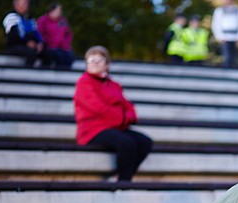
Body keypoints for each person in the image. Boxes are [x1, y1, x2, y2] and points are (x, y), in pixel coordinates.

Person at [73, 46, 153, 182]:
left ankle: (123, 177)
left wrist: (129, 117)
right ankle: (123, 182)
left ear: (107, 64)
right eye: (90, 60)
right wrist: (122, 118)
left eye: (98, 60)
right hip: (93, 129)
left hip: (115, 126)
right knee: (127, 143)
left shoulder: (113, 84)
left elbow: (127, 106)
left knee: (145, 142)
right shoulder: (84, 82)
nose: (94, 63)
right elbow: (98, 108)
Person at [3, 0, 51, 67]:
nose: (26, 6)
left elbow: (35, 33)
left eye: (27, 3)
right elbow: (13, 36)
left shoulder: (29, 18)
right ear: (16, 5)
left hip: (29, 45)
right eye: (24, 4)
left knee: (48, 53)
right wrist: (27, 43)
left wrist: (39, 43)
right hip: (15, 45)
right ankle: (26, 73)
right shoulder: (11, 17)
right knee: (31, 53)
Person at [36, 2, 74, 69]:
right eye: (58, 10)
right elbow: (39, 33)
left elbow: (68, 34)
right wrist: (47, 42)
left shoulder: (62, 20)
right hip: (49, 47)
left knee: (70, 57)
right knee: (58, 57)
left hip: (62, 47)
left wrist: (65, 44)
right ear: (51, 11)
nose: (60, 12)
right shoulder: (43, 20)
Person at [211, 0, 238, 68]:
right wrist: (219, 36)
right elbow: (216, 24)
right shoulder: (219, 11)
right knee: (227, 57)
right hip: (224, 37)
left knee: (234, 57)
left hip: (235, 37)